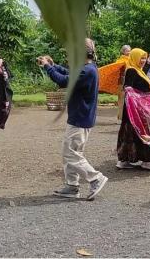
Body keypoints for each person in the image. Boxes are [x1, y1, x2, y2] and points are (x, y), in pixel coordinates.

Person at [41, 38, 108, 201]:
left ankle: (95, 178)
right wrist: (54, 65)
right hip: (80, 118)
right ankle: (72, 186)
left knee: (70, 153)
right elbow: (68, 74)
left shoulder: (87, 71)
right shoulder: (87, 69)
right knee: (72, 152)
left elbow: (64, 80)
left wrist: (48, 68)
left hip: (80, 119)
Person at [116, 48, 150, 171]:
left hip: (138, 109)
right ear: (134, 58)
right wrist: (141, 99)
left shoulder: (138, 71)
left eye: (144, 58)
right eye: (140, 58)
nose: (143, 60)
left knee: (132, 132)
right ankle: (147, 161)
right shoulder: (132, 70)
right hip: (135, 110)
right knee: (144, 131)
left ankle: (125, 160)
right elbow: (128, 88)